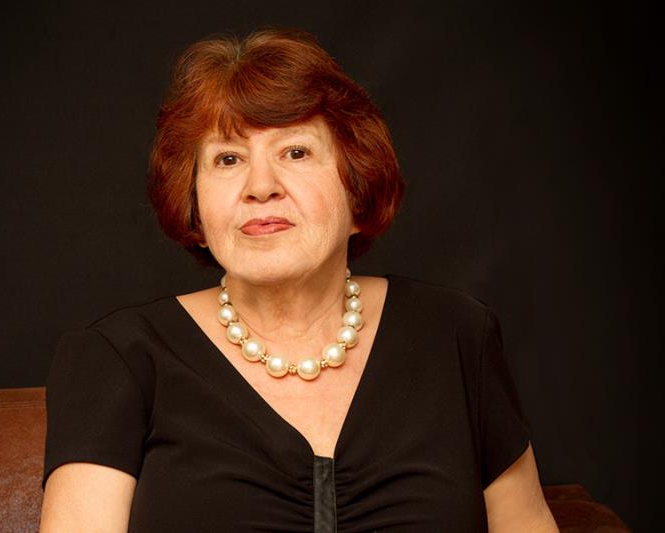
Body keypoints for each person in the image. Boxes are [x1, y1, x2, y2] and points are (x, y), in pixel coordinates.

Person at [39, 28, 559, 532]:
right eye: (228, 159)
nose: (261, 186)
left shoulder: (458, 335)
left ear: (358, 185)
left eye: (295, 152)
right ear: (193, 202)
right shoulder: (117, 358)